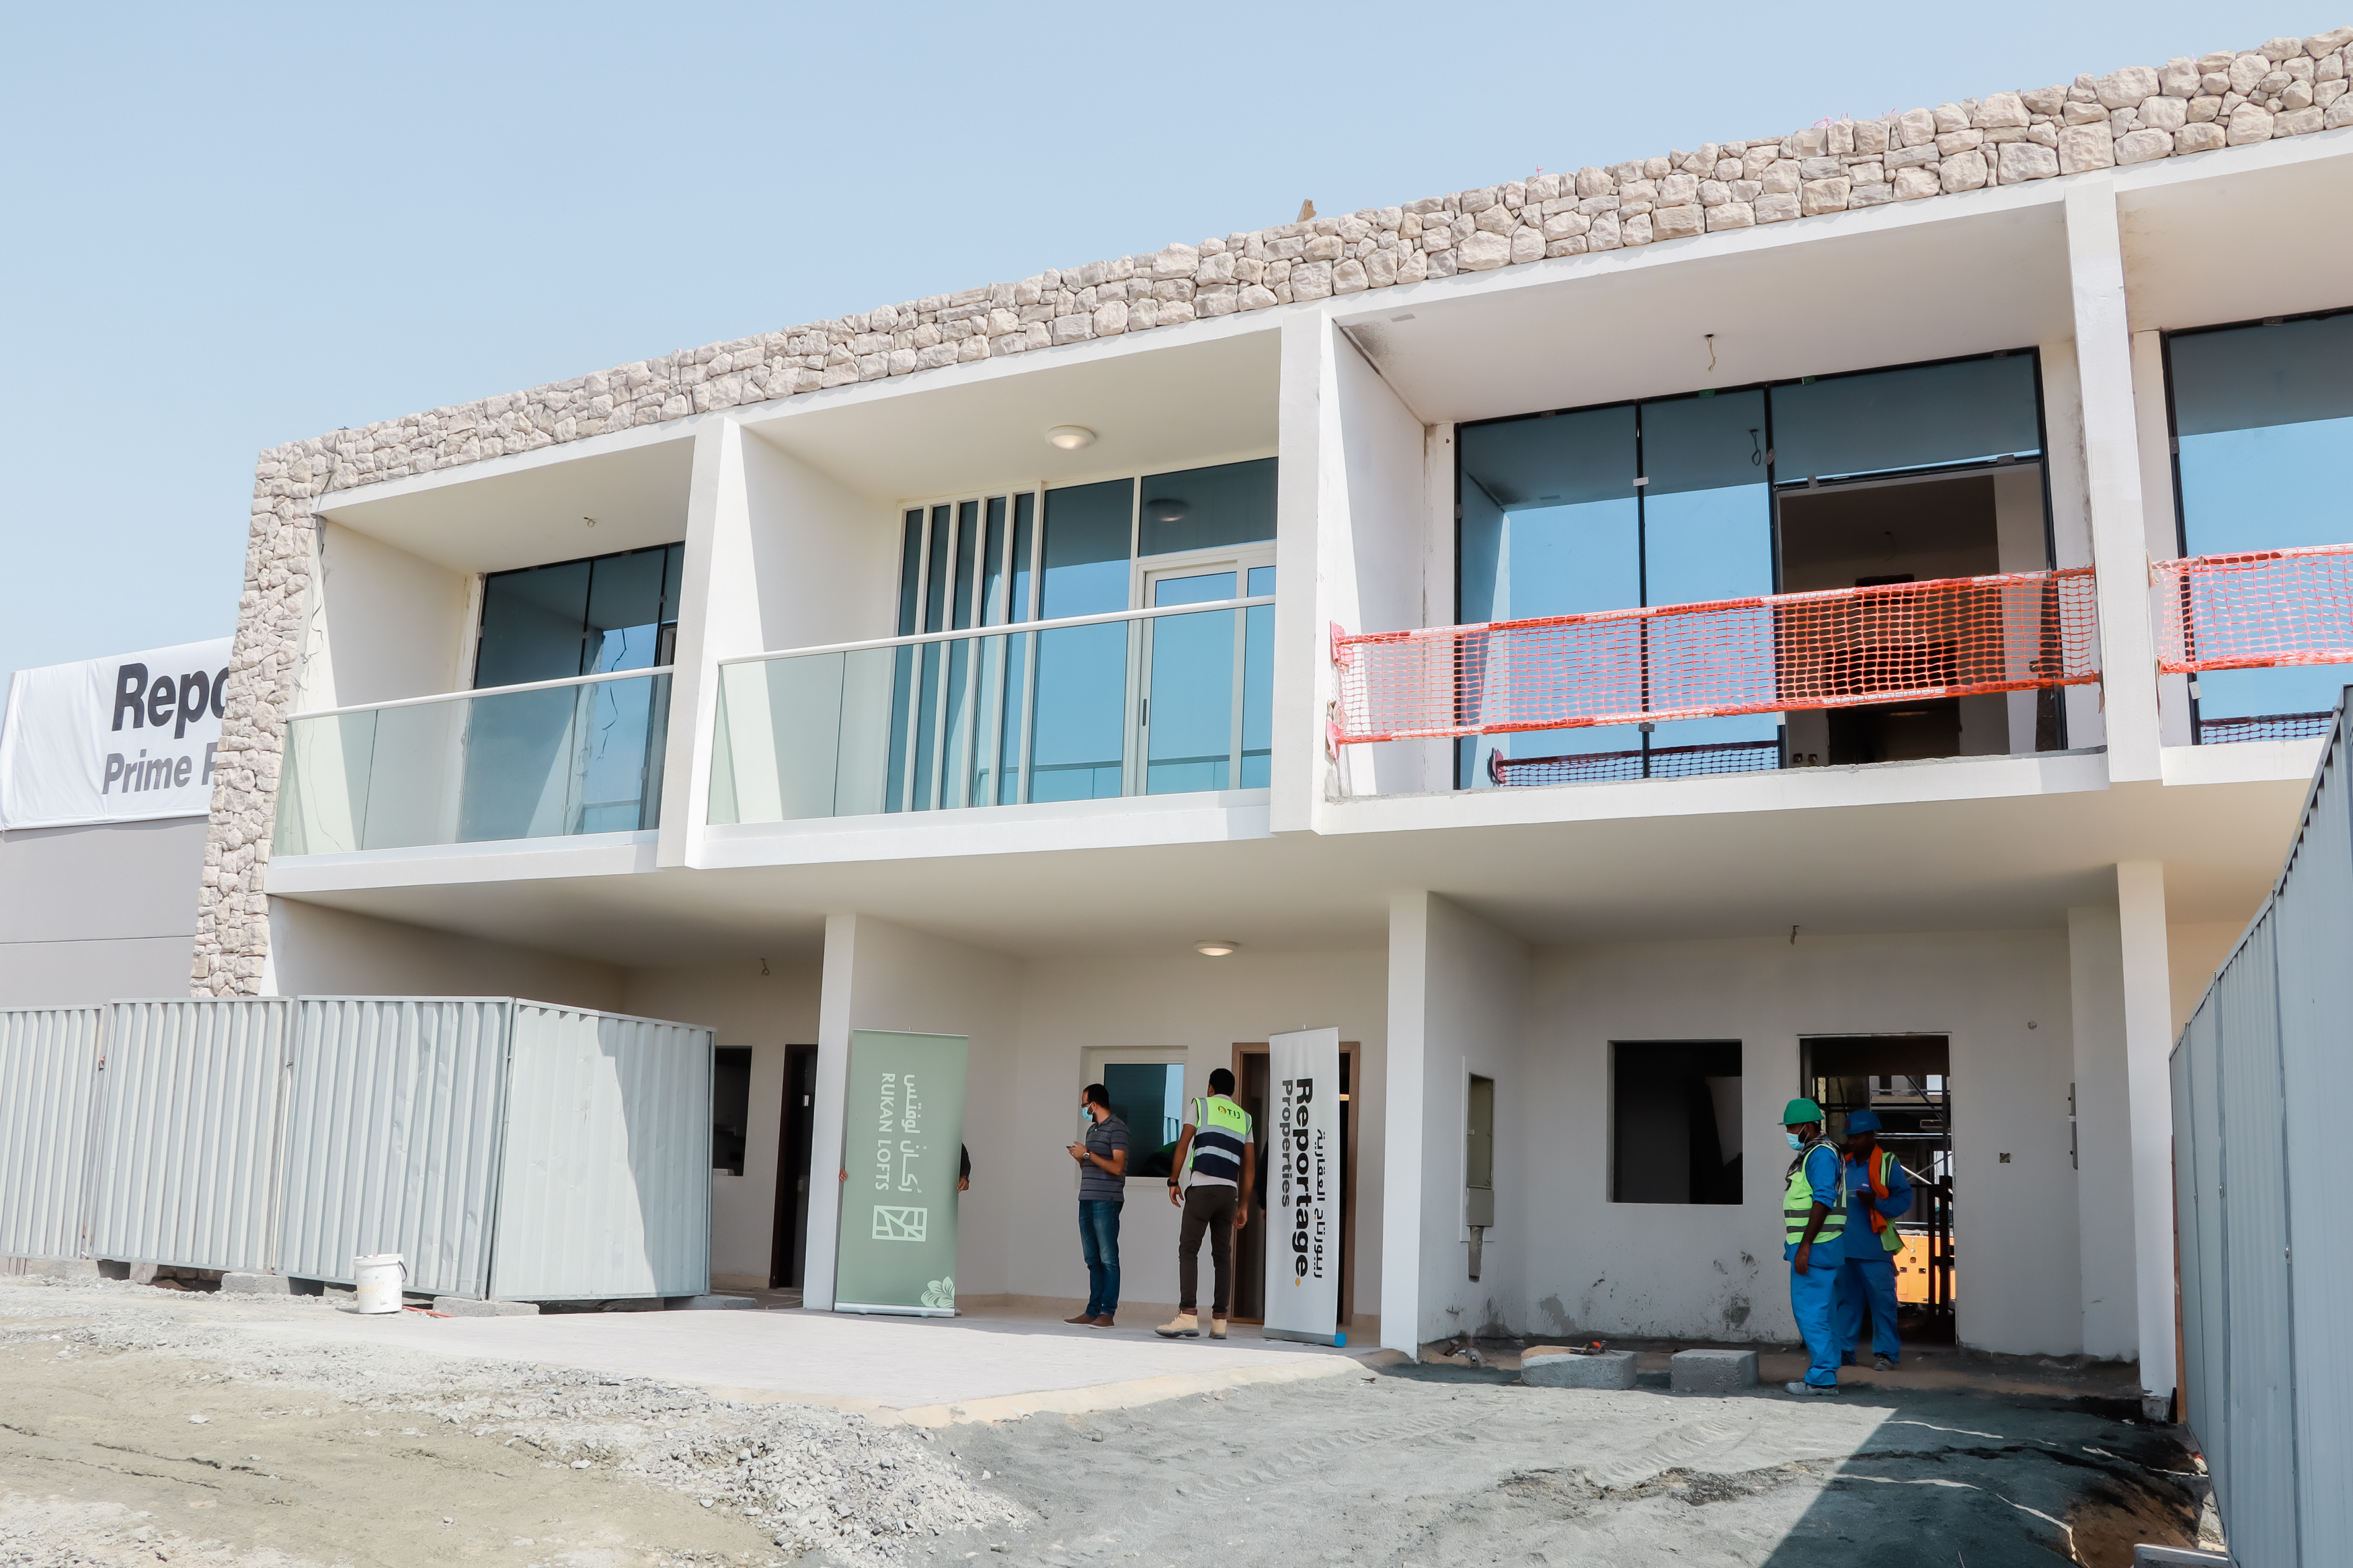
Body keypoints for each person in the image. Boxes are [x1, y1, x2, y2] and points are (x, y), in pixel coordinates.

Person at [1157, 1067, 1255, 1340]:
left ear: (1211, 1088)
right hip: (1229, 1194)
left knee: (1189, 1250)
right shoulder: (1245, 1118)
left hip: (1202, 1189)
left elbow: (1183, 1145)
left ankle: (1187, 1315)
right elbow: (1249, 1167)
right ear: (1232, 1091)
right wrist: (1244, 1205)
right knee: (1222, 1255)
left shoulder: (1201, 1105)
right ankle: (1220, 1322)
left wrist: (1173, 1181)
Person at [1780, 1098, 1847, 1396]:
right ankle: (1827, 1371)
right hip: (1823, 1247)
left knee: (1810, 1314)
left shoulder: (1819, 1155)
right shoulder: (1821, 1153)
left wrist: (1805, 1245)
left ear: (1808, 1127)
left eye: (1792, 1127)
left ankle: (1821, 1378)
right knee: (1824, 1313)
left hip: (1815, 1248)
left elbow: (1822, 1199)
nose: (1789, 1133)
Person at [1837, 1109, 1912, 1371]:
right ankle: (1844, 1352)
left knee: (1883, 1304)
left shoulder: (1887, 1164)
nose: (1851, 1142)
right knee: (1846, 1302)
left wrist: (1876, 1202)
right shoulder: (1842, 1165)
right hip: (1844, 1247)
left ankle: (1886, 1354)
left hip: (1875, 1248)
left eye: (1857, 1137)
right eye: (1849, 1137)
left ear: (1871, 1135)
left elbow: (1903, 1199)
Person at [1064, 1084, 1129, 1327]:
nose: (1084, 1109)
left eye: (1085, 1105)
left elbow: (1117, 1167)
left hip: (1107, 1199)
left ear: (1094, 1104)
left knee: (1108, 1258)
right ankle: (1092, 1311)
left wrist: (1088, 1154)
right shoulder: (1092, 1130)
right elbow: (1090, 1167)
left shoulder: (1118, 1128)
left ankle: (1107, 1312)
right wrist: (1081, 1158)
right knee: (1092, 1258)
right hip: (1087, 1198)